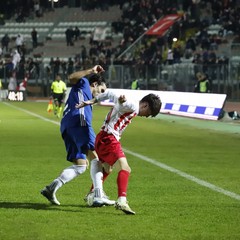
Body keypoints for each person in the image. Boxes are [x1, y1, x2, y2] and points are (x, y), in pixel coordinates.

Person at [76, 91, 162, 214]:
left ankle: (92, 194)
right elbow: (119, 99)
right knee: (125, 168)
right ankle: (122, 200)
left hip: (102, 137)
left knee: (107, 169)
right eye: (149, 113)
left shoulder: (132, 106)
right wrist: (122, 101)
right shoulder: (132, 105)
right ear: (146, 105)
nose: (147, 116)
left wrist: (92, 101)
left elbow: (110, 94)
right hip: (109, 139)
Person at [41, 65, 115, 207]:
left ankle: (51, 188)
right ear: (95, 84)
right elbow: (71, 77)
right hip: (79, 122)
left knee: (81, 166)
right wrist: (90, 72)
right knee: (97, 158)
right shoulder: (84, 83)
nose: (102, 95)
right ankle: (98, 195)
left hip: (67, 126)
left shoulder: (88, 98)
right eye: (102, 90)